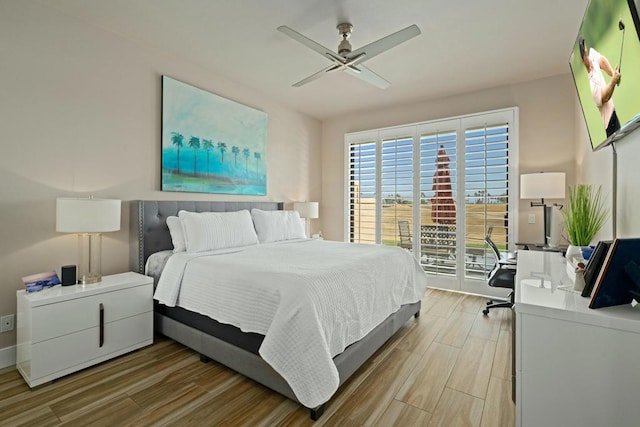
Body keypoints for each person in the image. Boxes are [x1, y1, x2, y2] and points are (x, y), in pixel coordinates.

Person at [578, 35, 622, 137]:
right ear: (582, 61)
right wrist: (613, 81)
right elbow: (605, 97)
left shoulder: (592, 56)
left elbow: (601, 60)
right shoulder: (593, 85)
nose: (586, 54)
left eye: (585, 50)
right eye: (584, 54)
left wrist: (612, 73)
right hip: (610, 125)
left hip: (614, 117)